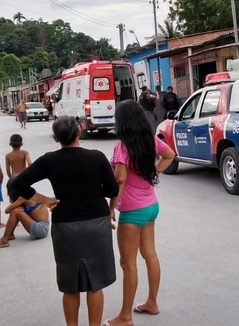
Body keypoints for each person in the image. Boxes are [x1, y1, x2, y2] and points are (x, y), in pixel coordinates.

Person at [10, 116, 118, 326]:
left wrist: (44, 199)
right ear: (79, 133)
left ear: (55, 138)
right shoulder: (96, 157)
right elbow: (113, 190)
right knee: (95, 284)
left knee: (70, 285)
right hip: (96, 223)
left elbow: (19, 183)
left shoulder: (49, 160)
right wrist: (94, 192)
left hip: (65, 226)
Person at [105, 100, 175, 326]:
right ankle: (152, 303)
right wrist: (154, 172)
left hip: (133, 212)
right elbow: (170, 155)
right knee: (150, 255)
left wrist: (110, 209)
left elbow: (120, 179)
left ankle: (125, 317)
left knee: (128, 264)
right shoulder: (151, 141)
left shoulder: (123, 147)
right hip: (151, 207)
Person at [0, 180, 49, 249]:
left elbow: (7, 210)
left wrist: (17, 207)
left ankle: (4, 241)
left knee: (15, 211)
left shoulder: (24, 197)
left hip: (41, 229)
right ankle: (10, 235)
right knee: (16, 210)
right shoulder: (29, 195)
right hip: (41, 228)